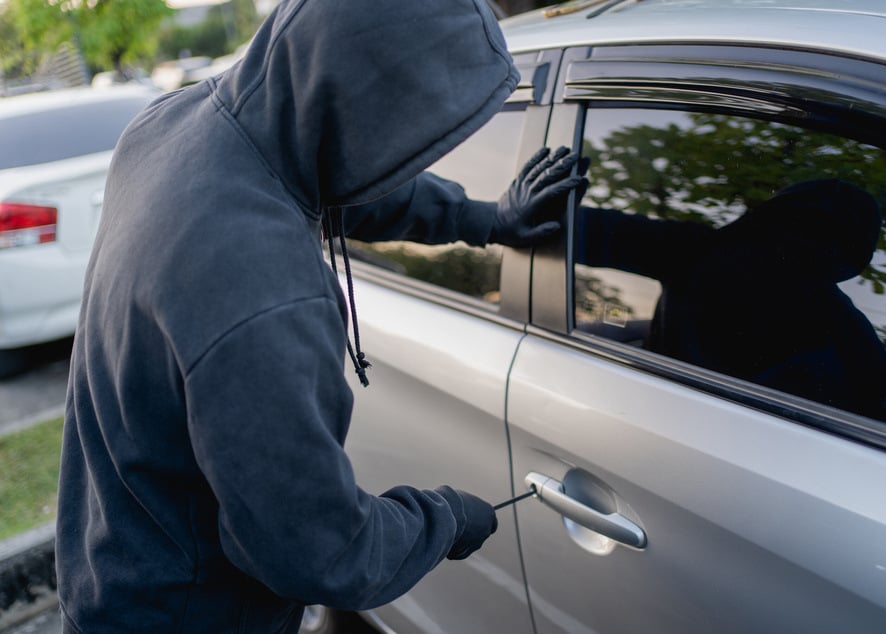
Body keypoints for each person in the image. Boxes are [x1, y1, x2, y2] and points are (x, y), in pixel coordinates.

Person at [55, 1, 583, 632]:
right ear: (361, 110)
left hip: (111, 567)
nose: (415, 153)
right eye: (414, 133)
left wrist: (482, 220)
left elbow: (324, 177)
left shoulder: (172, 126)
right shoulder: (260, 289)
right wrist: (442, 519)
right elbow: (320, 553)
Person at [576, 178, 886, 417]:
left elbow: (581, 232)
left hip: (647, 423)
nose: (809, 249)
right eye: (805, 231)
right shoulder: (852, 338)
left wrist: (548, 225)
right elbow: (586, 231)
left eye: (825, 241)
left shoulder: (697, 251)